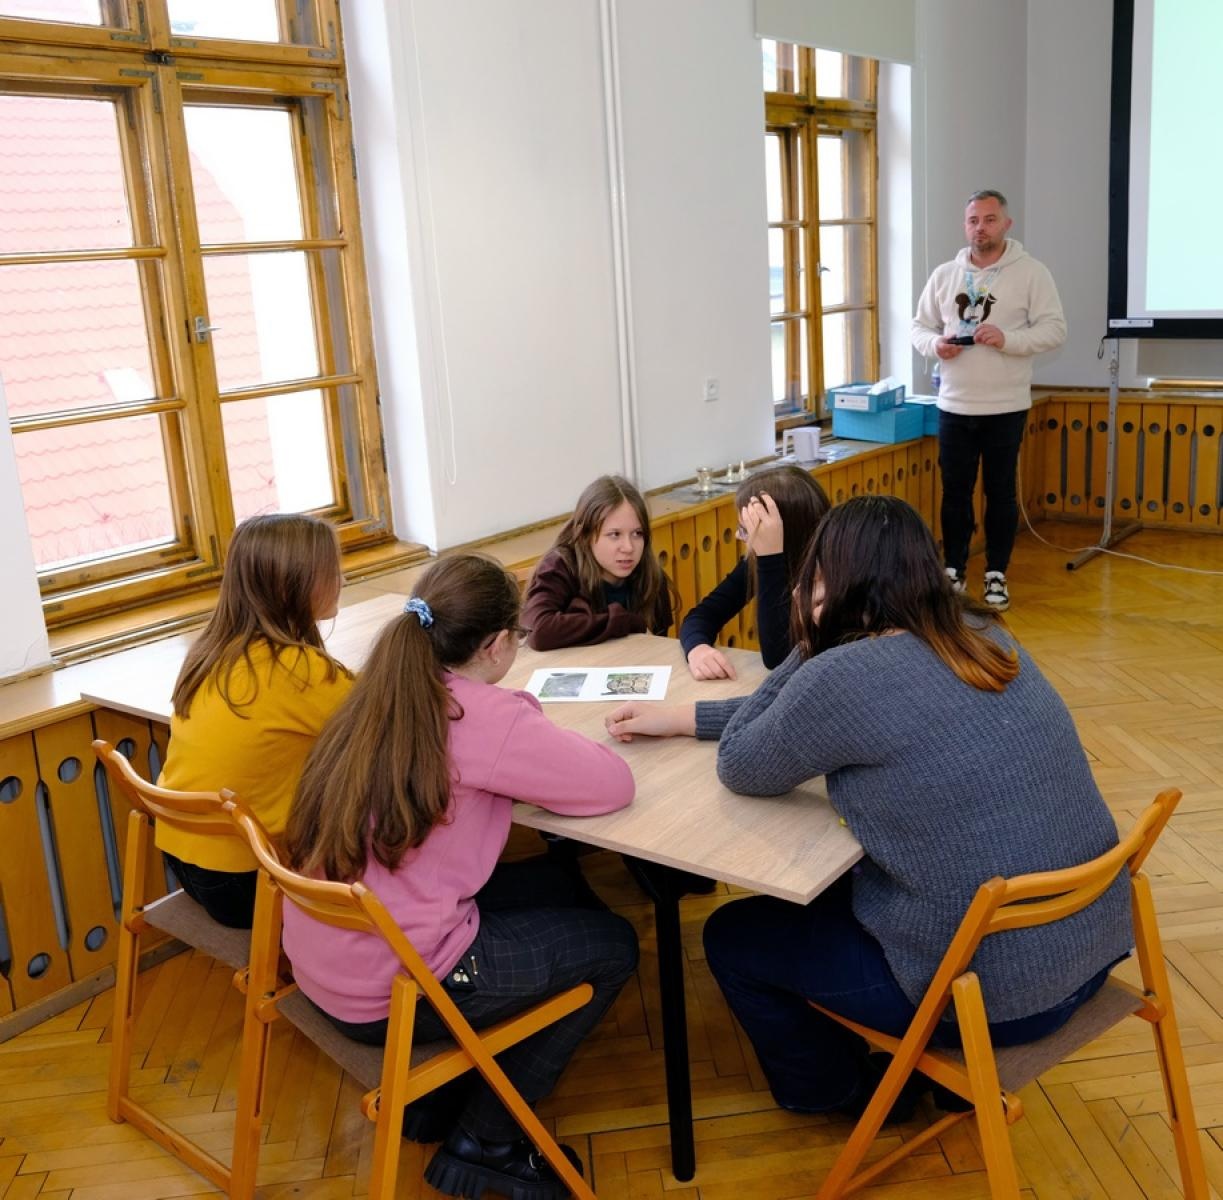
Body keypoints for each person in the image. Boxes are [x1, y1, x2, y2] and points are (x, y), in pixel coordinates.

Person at [605, 496, 1131, 1119]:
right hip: (1088, 950)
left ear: (839, 581)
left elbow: (743, 762)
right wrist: (685, 718)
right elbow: (809, 719)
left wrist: (810, 641)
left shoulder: (843, 674)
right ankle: (939, 1078)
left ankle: (843, 1095)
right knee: (841, 889)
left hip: (993, 999)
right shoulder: (982, 631)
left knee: (731, 936)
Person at [281, 555, 639, 1200]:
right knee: (614, 946)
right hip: (395, 990)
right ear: (497, 644)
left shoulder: (377, 694)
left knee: (558, 883)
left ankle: (436, 1099)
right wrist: (519, 710)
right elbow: (612, 784)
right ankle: (487, 1140)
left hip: (324, 963)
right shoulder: (485, 717)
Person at [156, 513, 353, 928]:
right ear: (291, 585)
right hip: (247, 884)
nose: (342, 579)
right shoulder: (298, 670)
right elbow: (383, 722)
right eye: (330, 571)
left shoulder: (211, 652)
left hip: (186, 864)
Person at [912, 189, 1067, 611]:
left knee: (1000, 493)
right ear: (966, 226)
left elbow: (1055, 330)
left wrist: (1008, 339)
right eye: (973, 220)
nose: (980, 228)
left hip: (1005, 406)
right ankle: (954, 571)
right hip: (954, 406)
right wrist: (935, 346)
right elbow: (919, 327)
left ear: (1006, 224)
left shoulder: (1031, 272)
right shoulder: (945, 274)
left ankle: (996, 573)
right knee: (954, 494)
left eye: (989, 219)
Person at [680, 466, 830, 677]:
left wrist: (770, 558)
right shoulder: (755, 564)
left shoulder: (833, 574)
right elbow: (703, 615)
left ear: (781, 531)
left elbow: (778, 658)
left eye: (745, 529)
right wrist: (698, 649)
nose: (738, 536)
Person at [522, 475, 674, 650]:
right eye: (615, 534)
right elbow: (540, 631)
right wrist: (625, 621)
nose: (628, 547)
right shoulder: (560, 566)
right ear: (586, 535)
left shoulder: (652, 577)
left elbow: (659, 647)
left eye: (637, 533)